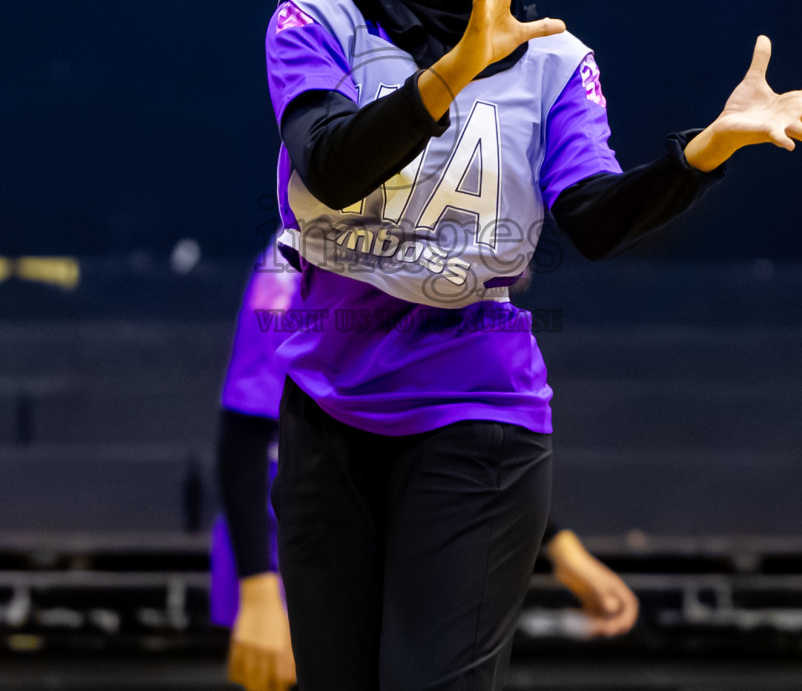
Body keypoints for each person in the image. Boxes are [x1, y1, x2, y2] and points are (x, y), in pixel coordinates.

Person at [263, 0, 802, 690]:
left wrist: (706, 149)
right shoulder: (315, 21)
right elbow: (330, 165)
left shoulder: (553, 58)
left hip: (478, 412)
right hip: (327, 410)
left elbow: (592, 222)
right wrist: (457, 66)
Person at [211, 245, 639, 691]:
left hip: (387, 544)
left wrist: (562, 550)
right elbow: (244, 431)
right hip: (287, 557)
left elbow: (438, 440)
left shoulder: (434, 283)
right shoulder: (295, 264)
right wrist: (258, 589)